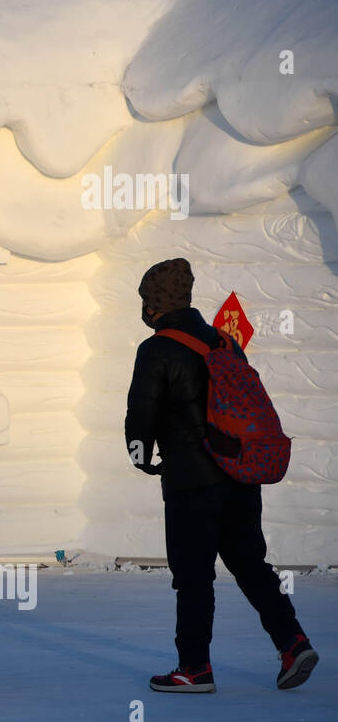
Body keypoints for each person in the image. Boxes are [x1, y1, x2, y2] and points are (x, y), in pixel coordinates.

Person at [125, 257, 317, 692]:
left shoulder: (155, 349)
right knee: (251, 564)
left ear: (154, 303)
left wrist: (140, 455)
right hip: (240, 474)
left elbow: (141, 413)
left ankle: (194, 669)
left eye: (144, 299)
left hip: (192, 482)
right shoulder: (225, 343)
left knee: (193, 576)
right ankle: (292, 642)